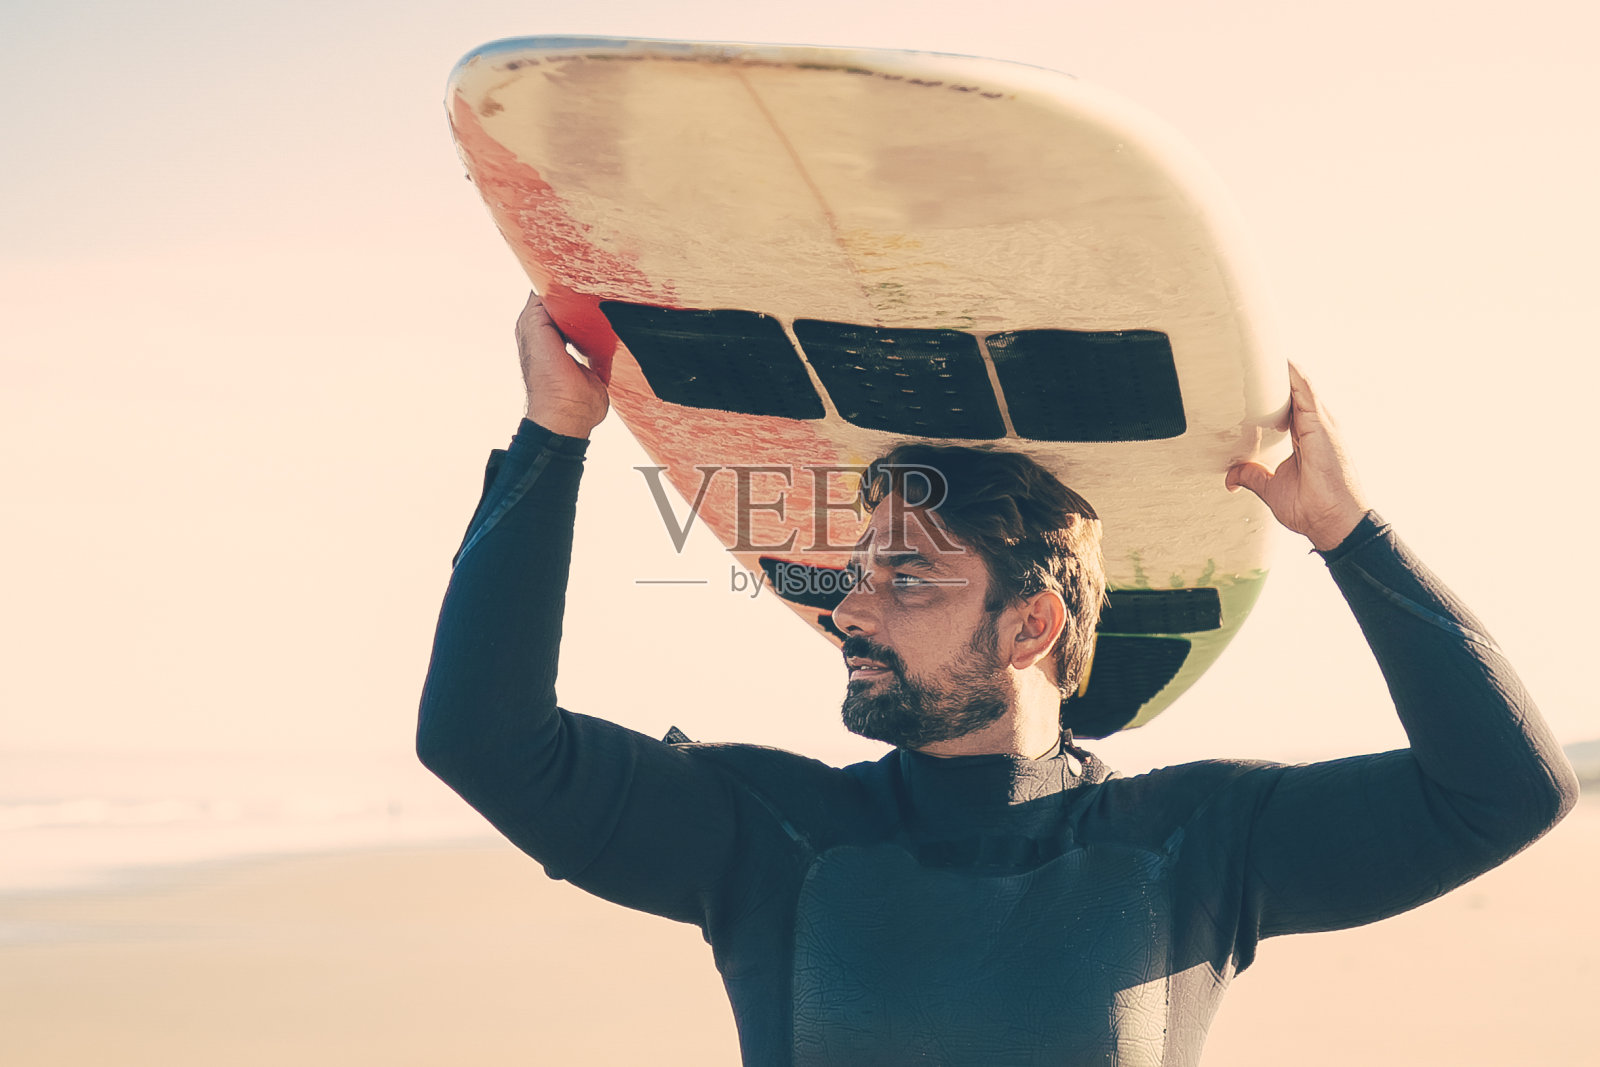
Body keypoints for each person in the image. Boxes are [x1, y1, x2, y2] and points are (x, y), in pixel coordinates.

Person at [417, 292, 1578, 1066]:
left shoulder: (1197, 840)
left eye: (908, 577)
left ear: (1029, 623)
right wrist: (552, 435)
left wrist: (1347, 532)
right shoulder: (763, 829)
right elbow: (481, 737)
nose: (849, 607)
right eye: (853, 573)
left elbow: (1504, 790)